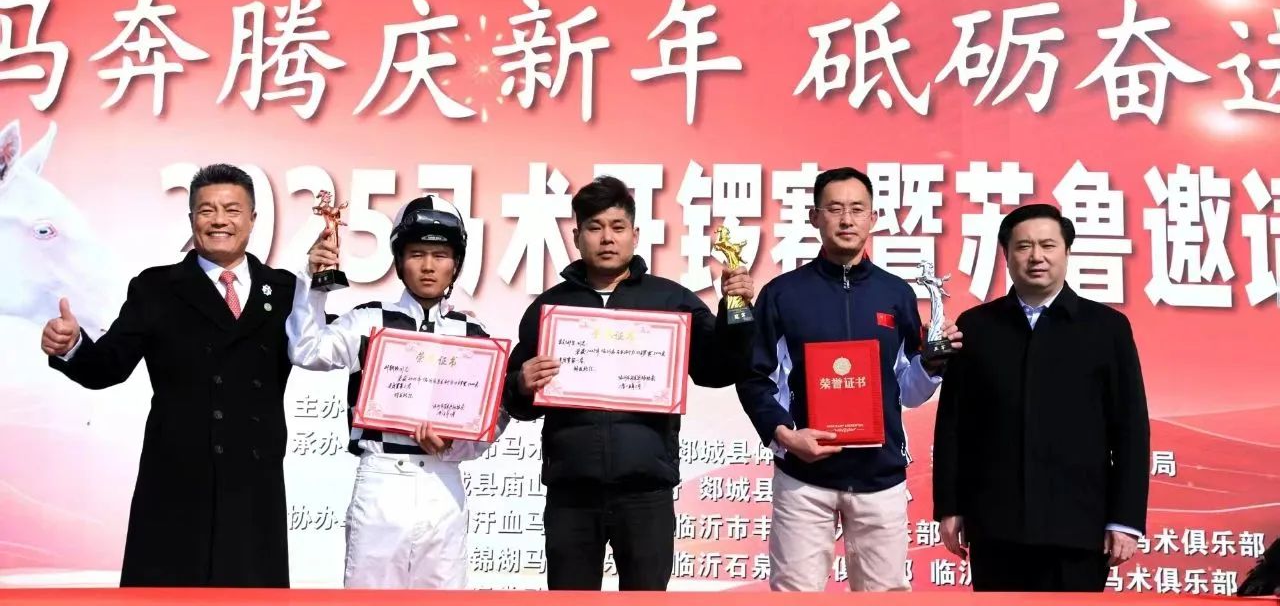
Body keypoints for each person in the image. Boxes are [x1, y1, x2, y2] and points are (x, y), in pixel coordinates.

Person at [41, 164, 295, 587]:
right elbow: (108, 365)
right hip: (176, 485)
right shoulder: (156, 288)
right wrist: (72, 345)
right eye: (206, 210)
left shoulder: (286, 291)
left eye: (232, 210)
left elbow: (326, 350)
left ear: (253, 219)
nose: (219, 220)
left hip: (253, 488)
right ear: (191, 218)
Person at [504, 175, 752, 591]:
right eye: (595, 227)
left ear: (635, 236)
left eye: (617, 227)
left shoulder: (671, 301)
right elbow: (518, 403)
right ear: (576, 236)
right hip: (571, 492)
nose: (607, 238)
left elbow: (719, 370)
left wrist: (737, 309)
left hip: (646, 491)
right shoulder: (551, 307)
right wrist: (521, 384)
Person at [736, 166, 961, 592]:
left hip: (880, 477)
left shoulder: (896, 294)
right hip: (804, 476)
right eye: (834, 209)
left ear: (872, 219)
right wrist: (785, 436)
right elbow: (754, 377)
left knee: (884, 595)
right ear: (814, 217)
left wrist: (932, 366)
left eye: (857, 209)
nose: (846, 220)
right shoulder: (782, 294)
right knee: (795, 595)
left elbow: (908, 391)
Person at [287, 193, 506, 589]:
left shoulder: (475, 334)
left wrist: (453, 446)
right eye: (416, 253)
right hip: (381, 481)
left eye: (440, 255)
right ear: (399, 259)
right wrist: (313, 285)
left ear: (456, 263)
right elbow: (306, 350)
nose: (428, 266)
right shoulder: (368, 320)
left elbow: (488, 425)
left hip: (444, 483)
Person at [933, 203, 1150, 592]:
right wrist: (950, 506)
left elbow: (1131, 429)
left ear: (1067, 252)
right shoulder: (977, 326)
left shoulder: (1106, 328)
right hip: (995, 525)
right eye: (1024, 246)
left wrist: (1125, 519)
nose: (1037, 256)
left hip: (1079, 528)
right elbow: (953, 423)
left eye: (1048, 245)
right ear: (1006, 255)